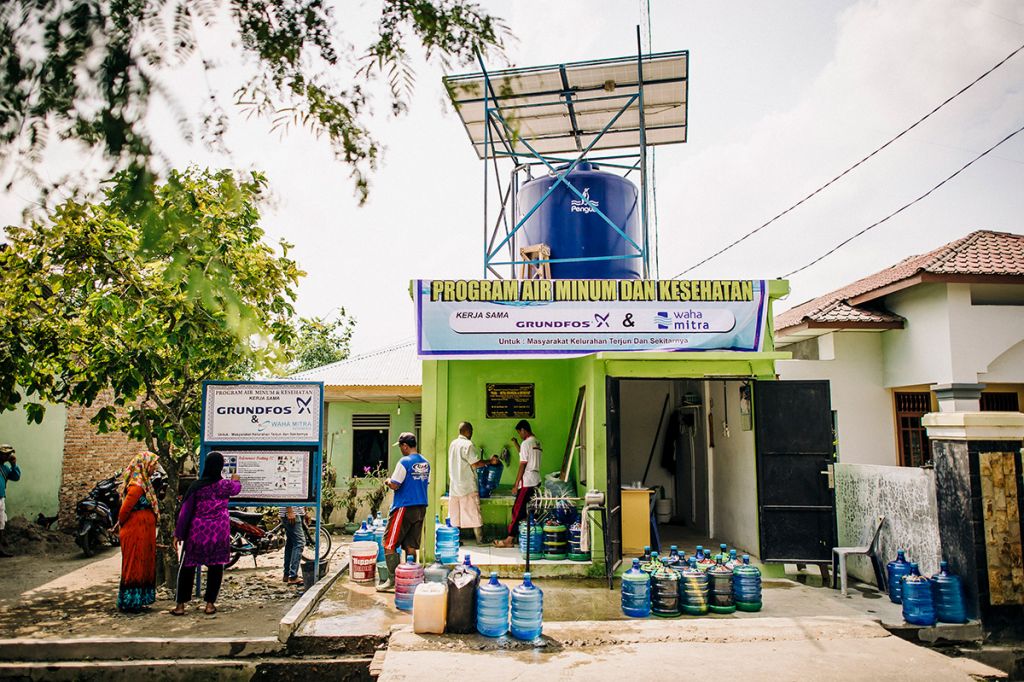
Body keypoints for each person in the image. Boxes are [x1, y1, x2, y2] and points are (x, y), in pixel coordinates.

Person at [170, 451, 241, 616]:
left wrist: (178, 534)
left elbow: (185, 511)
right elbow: (236, 488)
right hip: (219, 533)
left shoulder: (197, 486)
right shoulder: (225, 485)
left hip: (197, 533)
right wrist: (235, 479)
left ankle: (180, 606)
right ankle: (209, 604)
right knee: (216, 568)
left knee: (188, 567)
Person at [377, 432, 430, 592]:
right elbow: (426, 482)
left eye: (400, 446)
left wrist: (387, 481)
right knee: (411, 545)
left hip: (403, 507)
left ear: (405, 446)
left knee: (389, 543)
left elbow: (395, 484)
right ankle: (410, 579)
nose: (400, 449)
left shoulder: (404, 462)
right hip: (421, 507)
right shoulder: (426, 463)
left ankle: (392, 581)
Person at [117, 451, 162, 612]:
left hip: (142, 532)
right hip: (135, 532)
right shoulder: (137, 487)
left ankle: (139, 600)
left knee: (143, 564)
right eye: (153, 464)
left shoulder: (145, 484)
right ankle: (130, 602)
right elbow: (124, 511)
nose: (155, 468)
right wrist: (120, 525)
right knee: (134, 565)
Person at [447, 422, 498, 545]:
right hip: (467, 485)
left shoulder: (453, 444)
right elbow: (475, 464)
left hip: (454, 486)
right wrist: (490, 461)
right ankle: (480, 539)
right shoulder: (468, 445)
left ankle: (456, 540)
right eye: (471, 431)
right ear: (468, 431)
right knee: (474, 512)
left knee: (455, 515)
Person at [494, 420, 542, 548]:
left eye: (519, 433)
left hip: (527, 481)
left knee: (517, 510)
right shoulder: (537, 442)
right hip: (536, 479)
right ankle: (529, 537)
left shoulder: (526, 443)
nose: (520, 436)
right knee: (530, 511)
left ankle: (509, 539)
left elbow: (523, 463)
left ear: (523, 430)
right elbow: (524, 455)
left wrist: (516, 485)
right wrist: (516, 444)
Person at [0, 445, 22, 558]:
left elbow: (16, 477)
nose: (8, 456)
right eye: (6, 454)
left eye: (9, 454)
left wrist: (14, 464)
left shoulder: (4, 468)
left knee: (1, 524)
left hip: (1, 498)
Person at [281, 505, 306, 586]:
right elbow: (287, 494)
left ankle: (287, 574)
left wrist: (305, 511)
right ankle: (293, 576)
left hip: (296, 512)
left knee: (291, 544)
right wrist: (289, 510)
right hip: (291, 512)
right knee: (300, 543)